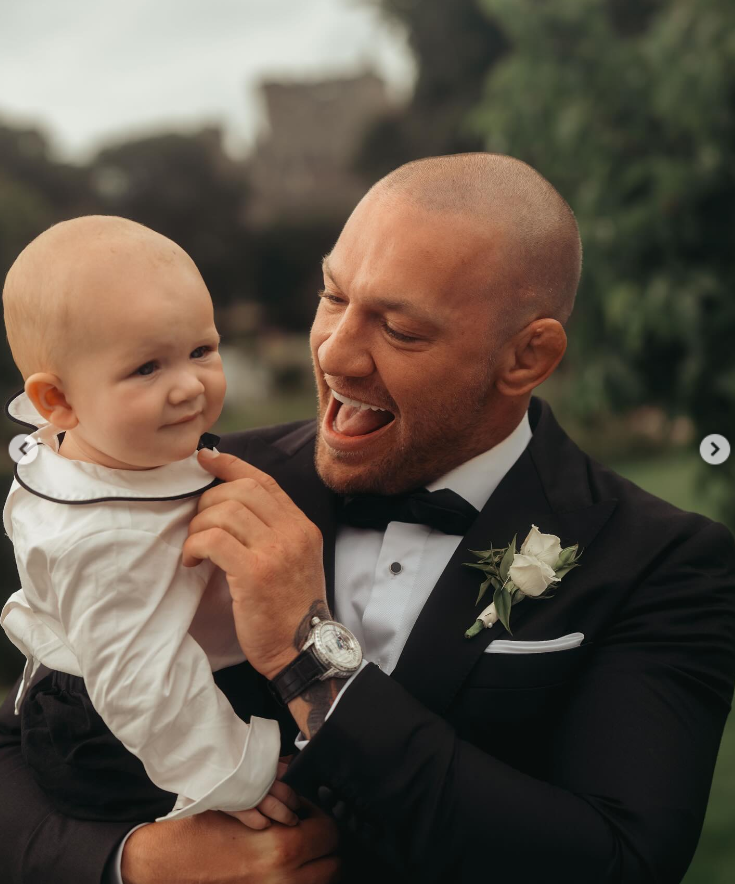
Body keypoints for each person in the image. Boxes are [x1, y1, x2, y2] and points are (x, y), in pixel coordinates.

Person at [1, 153, 733, 884]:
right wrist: (135, 865)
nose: (334, 352)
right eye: (333, 297)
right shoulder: (186, 478)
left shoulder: (666, 563)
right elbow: (28, 737)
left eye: (401, 330)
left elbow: (619, 862)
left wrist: (307, 655)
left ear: (526, 357)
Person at [0, 217, 298, 831]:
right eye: (146, 369)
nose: (189, 385)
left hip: (167, 678)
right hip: (129, 728)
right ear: (58, 401)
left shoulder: (94, 442)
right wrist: (238, 774)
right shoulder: (105, 536)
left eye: (201, 351)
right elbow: (142, 681)